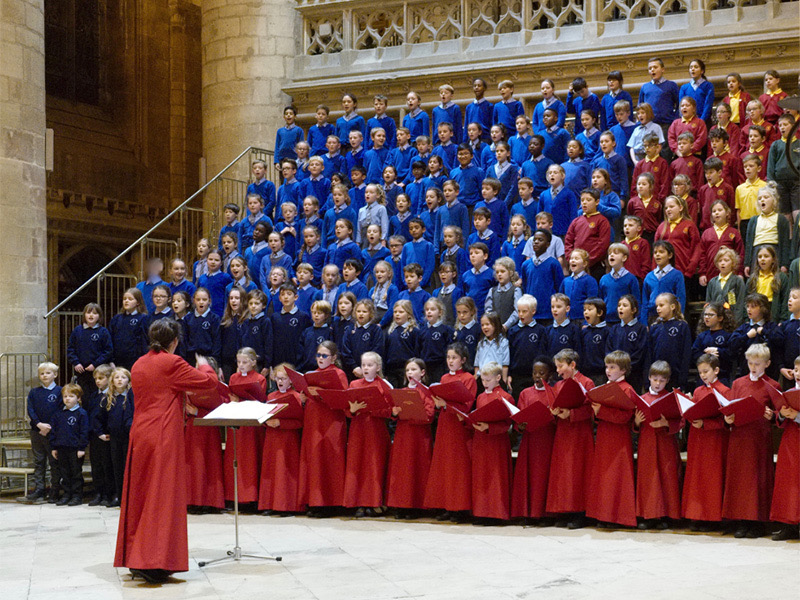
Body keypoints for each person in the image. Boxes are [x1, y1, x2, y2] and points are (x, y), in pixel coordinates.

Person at [114, 319, 219, 583]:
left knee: (141, 495)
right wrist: (205, 363)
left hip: (140, 433)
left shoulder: (139, 363)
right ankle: (152, 562)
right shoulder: (171, 363)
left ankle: (136, 559)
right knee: (161, 496)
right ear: (174, 341)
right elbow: (208, 383)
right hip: (163, 435)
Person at [722, 343, 777, 538]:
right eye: (750, 363)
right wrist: (728, 418)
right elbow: (731, 407)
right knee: (739, 479)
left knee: (756, 479)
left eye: (757, 363)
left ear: (767, 364)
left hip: (758, 439)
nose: (753, 367)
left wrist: (773, 415)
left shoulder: (772, 385)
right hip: (739, 436)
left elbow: (778, 414)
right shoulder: (738, 383)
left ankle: (757, 522)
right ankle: (741, 520)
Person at [424, 343, 477, 522]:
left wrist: (446, 404)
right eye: (448, 358)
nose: (450, 361)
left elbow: (467, 404)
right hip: (444, 425)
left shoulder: (469, 378)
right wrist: (438, 404)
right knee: (444, 465)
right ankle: (446, 505)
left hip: (458, 427)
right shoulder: (444, 377)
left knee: (458, 467)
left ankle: (459, 508)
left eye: (454, 358)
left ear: (463, 360)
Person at [298, 341, 350, 517]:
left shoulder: (339, 374)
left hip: (331, 422)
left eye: (324, 356)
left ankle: (330, 503)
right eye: (318, 355)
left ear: (334, 357)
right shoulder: (311, 374)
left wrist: (320, 392)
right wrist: (303, 397)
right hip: (313, 421)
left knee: (329, 459)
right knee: (313, 459)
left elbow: (342, 400)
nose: (320, 358)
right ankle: (314, 501)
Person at [547, 349, 595, 528]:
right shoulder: (558, 385)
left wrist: (571, 413)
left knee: (578, 471)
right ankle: (564, 510)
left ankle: (579, 513)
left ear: (572, 365)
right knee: (563, 472)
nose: (558, 371)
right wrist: (554, 412)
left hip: (580, 433)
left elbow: (590, 409)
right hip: (563, 432)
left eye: (561, 366)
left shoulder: (587, 382)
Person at [634, 361, 681, 529]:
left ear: (667, 380)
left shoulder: (671, 398)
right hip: (647, 443)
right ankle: (648, 515)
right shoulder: (642, 399)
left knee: (666, 478)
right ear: (649, 378)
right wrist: (637, 422)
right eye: (655, 379)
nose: (658, 383)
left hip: (665, 443)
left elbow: (681, 421)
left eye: (662, 380)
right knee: (648, 478)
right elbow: (635, 425)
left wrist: (666, 422)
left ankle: (665, 515)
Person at [511, 357, 557, 523]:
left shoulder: (553, 392)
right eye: (535, 373)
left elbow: (556, 417)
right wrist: (520, 426)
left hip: (546, 439)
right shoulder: (525, 393)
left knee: (543, 477)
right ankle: (528, 512)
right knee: (528, 476)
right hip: (529, 440)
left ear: (550, 375)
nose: (537, 376)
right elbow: (519, 417)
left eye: (542, 373)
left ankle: (544, 514)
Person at [98, 366, 134, 507]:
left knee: (127, 467)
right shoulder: (108, 398)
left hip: (128, 437)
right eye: (117, 377)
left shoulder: (131, 397)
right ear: (112, 380)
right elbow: (100, 417)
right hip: (114, 438)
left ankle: (128, 497)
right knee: (116, 467)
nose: (120, 380)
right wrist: (101, 432)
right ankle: (118, 496)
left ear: (129, 380)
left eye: (123, 377)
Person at [49, 383, 89, 506]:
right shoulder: (58, 414)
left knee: (75, 472)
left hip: (75, 449)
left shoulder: (81, 413)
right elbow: (54, 431)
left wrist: (81, 448)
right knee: (64, 472)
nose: (67, 399)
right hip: (61, 448)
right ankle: (66, 494)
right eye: (65, 396)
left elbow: (84, 432)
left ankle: (77, 495)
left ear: (78, 398)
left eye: (71, 396)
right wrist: (54, 447)